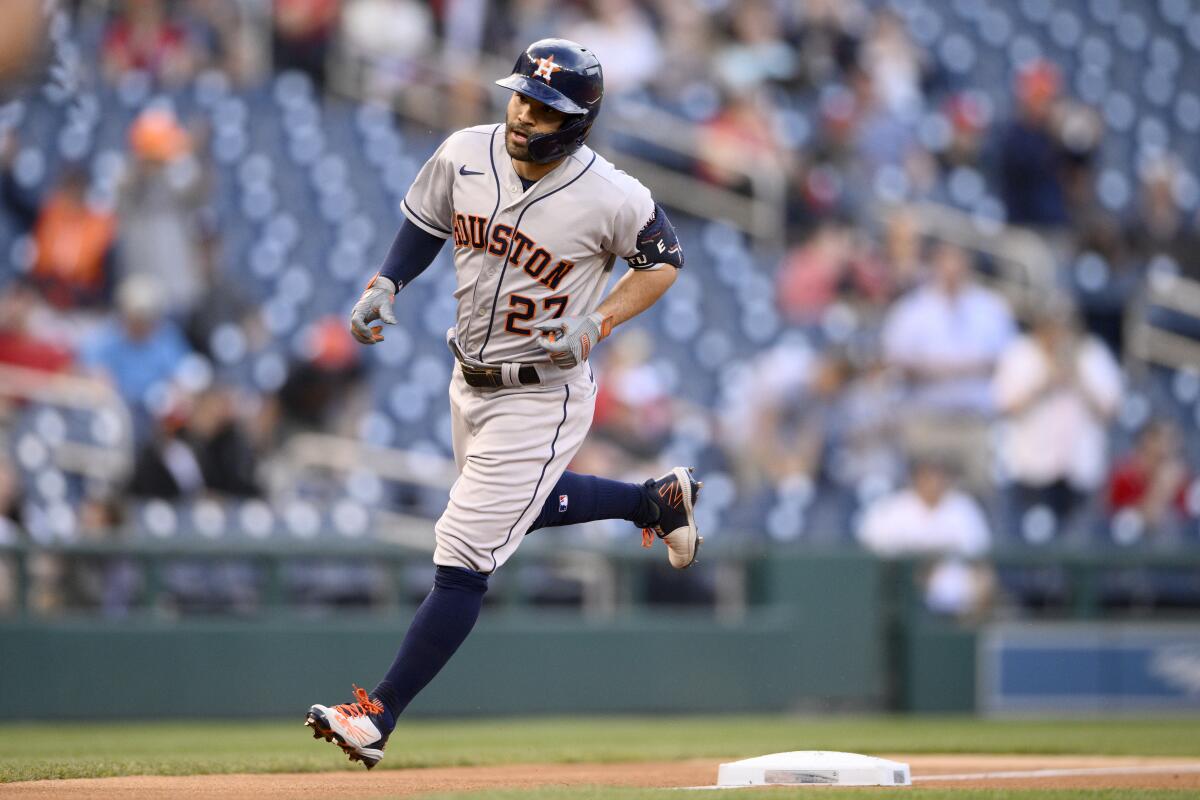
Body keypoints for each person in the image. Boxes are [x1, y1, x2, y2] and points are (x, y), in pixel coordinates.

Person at [304, 39, 699, 769]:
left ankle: (378, 716)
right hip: (468, 380)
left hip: (541, 395)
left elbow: (664, 261)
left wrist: (598, 320)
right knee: (516, 508)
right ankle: (653, 503)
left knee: (462, 555)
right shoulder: (464, 151)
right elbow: (425, 221)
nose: (524, 112)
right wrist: (385, 284)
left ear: (578, 120)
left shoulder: (612, 194)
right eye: (521, 96)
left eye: (544, 106)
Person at [993, 296, 1122, 537]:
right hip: (1030, 469)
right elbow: (1005, 407)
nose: (1058, 333)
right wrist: (1045, 382)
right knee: (1029, 548)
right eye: (1052, 325)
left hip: (1080, 469)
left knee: (1079, 544)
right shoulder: (1020, 353)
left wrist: (1077, 378)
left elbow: (1110, 411)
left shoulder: (1091, 353)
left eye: (1065, 326)